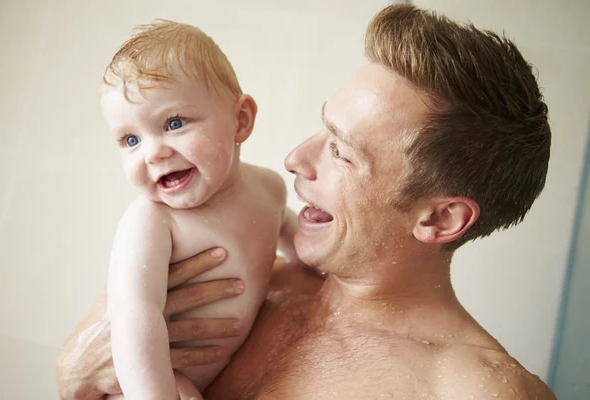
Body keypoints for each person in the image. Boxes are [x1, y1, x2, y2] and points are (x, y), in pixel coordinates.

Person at [57, 4, 557, 399]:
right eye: (323, 127)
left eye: (341, 151)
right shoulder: (239, 282)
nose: (295, 158)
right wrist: (73, 376)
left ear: (440, 217)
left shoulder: (471, 391)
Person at [98, 21, 300, 400]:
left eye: (174, 123)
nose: (152, 152)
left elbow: (291, 234)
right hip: (154, 383)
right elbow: (134, 316)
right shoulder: (154, 221)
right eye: (130, 139)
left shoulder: (269, 188)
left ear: (241, 120)